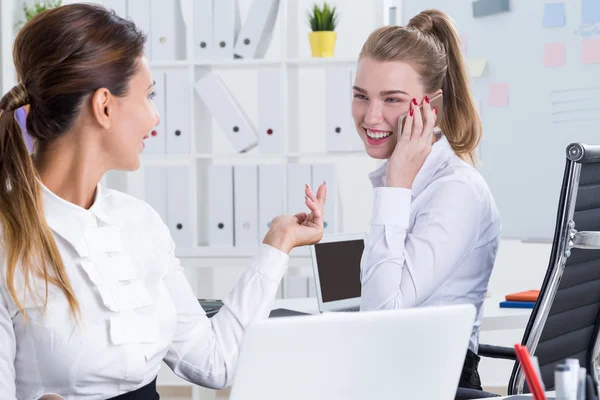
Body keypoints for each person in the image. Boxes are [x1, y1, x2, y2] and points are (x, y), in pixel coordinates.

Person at [0, 4, 326, 399]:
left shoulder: (140, 222)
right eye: (148, 96)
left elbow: (215, 362)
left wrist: (278, 244)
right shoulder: (8, 239)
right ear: (104, 106)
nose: (155, 118)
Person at [352, 9, 501, 390]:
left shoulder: (456, 191)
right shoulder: (410, 180)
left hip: (438, 381)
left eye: (392, 99)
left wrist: (397, 182)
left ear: (429, 108)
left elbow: (381, 319)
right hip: (398, 373)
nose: (371, 116)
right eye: (361, 96)